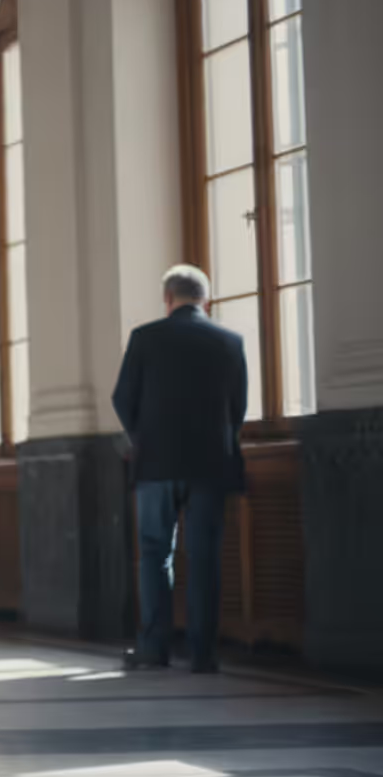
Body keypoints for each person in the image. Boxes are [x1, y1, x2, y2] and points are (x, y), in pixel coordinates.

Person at [111, 264, 249, 675]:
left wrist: (144, 436)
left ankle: (155, 648)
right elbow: (238, 407)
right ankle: (203, 654)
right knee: (204, 556)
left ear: (167, 299)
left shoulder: (145, 338)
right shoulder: (230, 341)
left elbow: (122, 399)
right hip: (211, 463)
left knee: (155, 553)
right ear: (204, 299)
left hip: (155, 463)